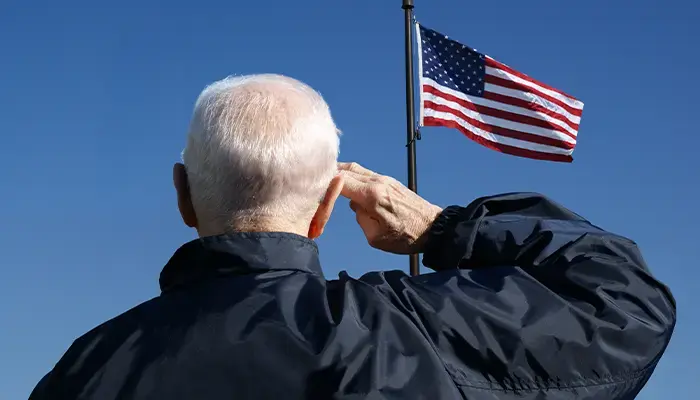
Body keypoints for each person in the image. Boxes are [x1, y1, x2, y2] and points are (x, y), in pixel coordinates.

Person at [30, 74, 675, 400]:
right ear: (329, 205)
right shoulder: (404, 335)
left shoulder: (82, 371)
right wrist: (441, 228)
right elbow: (623, 301)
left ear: (183, 195)